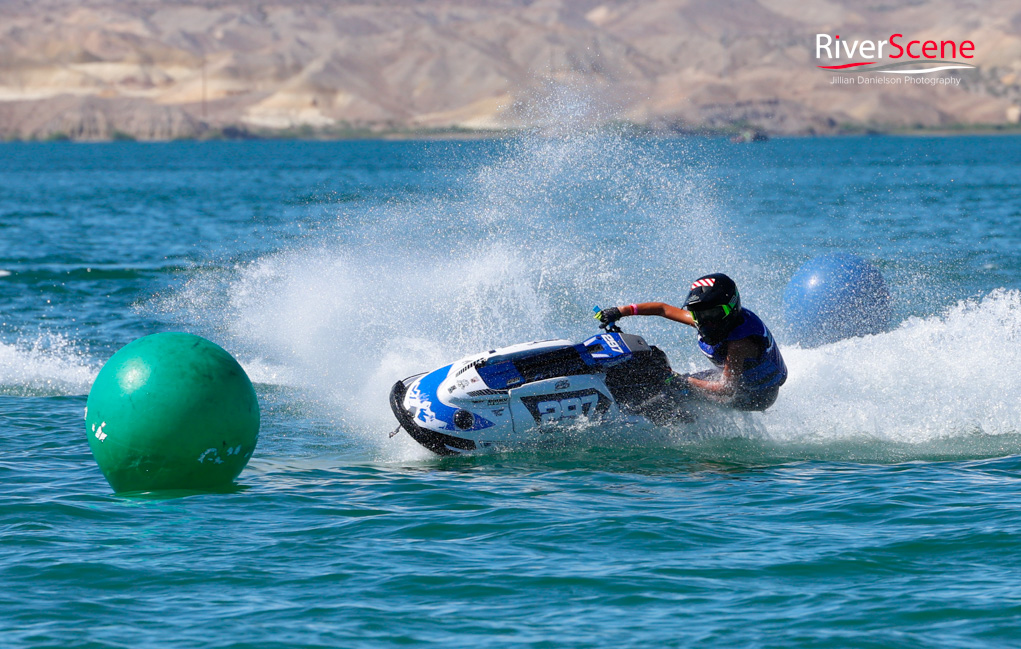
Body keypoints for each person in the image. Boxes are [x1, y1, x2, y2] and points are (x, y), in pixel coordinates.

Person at [596, 273, 787, 411]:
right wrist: (621, 311)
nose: (706, 321)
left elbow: (727, 389)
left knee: (674, 390)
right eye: (699, 314)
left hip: (756, 394)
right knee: (667, 379)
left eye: (713, 313)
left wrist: (683, 381)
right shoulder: (706, 319)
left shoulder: (739, 343)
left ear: (732, 307)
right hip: (737, 380)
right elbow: (663, 309)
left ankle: (679, 425)